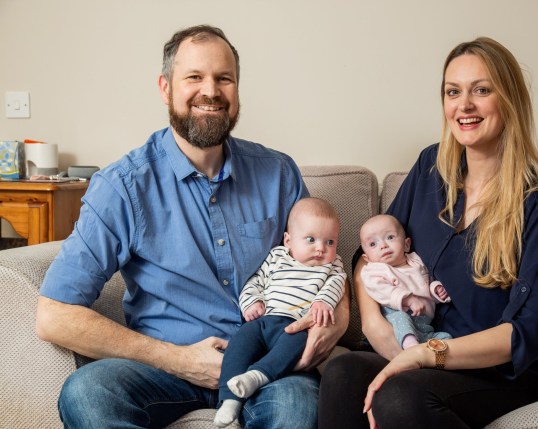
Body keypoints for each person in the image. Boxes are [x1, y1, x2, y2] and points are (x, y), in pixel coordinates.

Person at [35, 24, 349, 429]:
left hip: (269, 361)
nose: (211, 91)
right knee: (87, 393)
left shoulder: (279, 174)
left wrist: (335, 325)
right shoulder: (123, 186)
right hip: (166, 365)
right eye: (194, 78)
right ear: (166, 88)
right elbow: (54, 314)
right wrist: (179, 359)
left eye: (224, 78)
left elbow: (328, 265)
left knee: (297, 410)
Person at [318, 36, 538, 429]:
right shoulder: (429, 167)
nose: (464, 105)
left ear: (509, 99)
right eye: (453, 92)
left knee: (400, 397)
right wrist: (373, 324)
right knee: (344, 372)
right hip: (413, 346)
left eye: (481, 90)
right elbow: (368, 256)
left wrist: (424, 355)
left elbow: (524, 333)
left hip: (488, 373)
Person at [215, 197, 347, 427]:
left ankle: (257, 376)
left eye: (330, 241)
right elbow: (255, 282)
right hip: (264, 321)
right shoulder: (276, 257)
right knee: (239, 343)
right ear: (288, 240)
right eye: (311, 239)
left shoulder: (332, 264)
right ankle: (230, 400)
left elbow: (337, 283)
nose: (320, 248)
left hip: (296, 326)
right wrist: (251, 303)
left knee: (295, 346)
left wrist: (323, 303)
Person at [359, 214, 451, 350]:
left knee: (446, 338)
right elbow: (379, 289)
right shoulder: (374, 270)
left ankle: (432, 361)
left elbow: (426, 282)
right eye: (373, 244)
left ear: (406, 244)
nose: (383, 245)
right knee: (401, 318)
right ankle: (411, 350)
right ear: (367, 258)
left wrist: (436, 289)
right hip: (394, 319)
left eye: (390, 237)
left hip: (425, 326)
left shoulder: (416, 262)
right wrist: (408, 299)